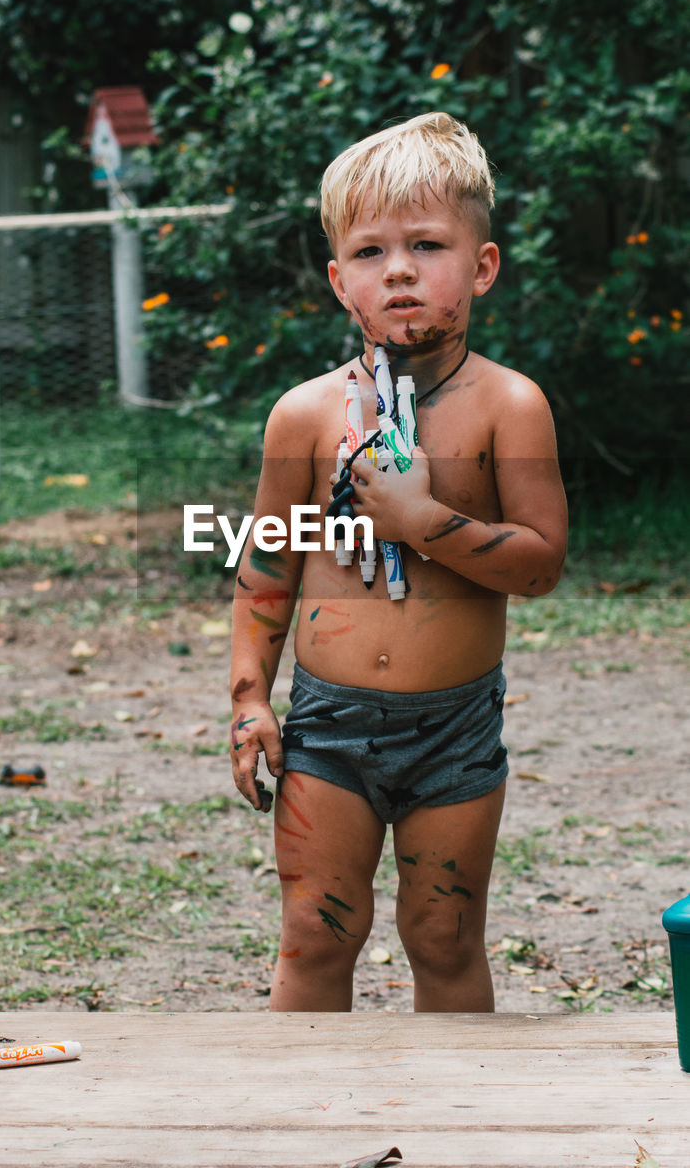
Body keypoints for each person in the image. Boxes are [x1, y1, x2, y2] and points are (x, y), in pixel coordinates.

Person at [228, 111, 567, 1012]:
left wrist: (424, 520)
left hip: (453, 731)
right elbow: (267, 565)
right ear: (341, 282)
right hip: (329, 726)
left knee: (444, 937)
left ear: (482, 266)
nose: (402, 270)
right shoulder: (303, 417)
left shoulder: (508, 408)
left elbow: (540, 565)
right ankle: (302, 1135)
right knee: (312, 935)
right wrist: (251, 700)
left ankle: (452, 1134)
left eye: (427, 244)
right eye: (372, 253)